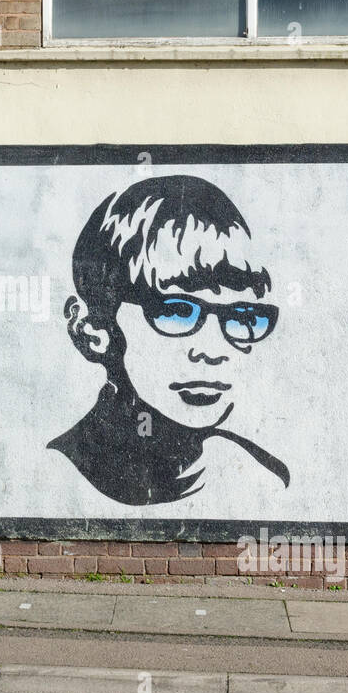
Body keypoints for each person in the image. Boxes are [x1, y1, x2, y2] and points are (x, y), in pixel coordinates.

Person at [48, 174, 288, 505]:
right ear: (94, 330)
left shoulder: (260, 477)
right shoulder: (60, 472)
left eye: (243, 317)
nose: (213, 351)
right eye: (177, 312)